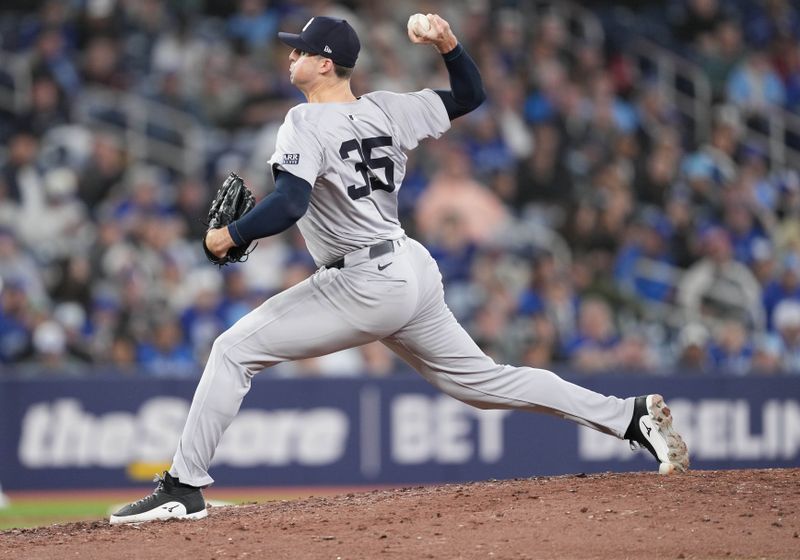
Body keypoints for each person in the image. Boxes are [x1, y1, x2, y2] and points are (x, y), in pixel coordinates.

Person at [109, 14, 689, 525]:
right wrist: (449, 44)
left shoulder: (304, 122)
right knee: (484, 382)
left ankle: (183, 486)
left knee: (233, 351)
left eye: (300, 50)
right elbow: (469, 95)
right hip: (409, 266)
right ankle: (629, 417)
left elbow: (289, 204)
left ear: (326, 63)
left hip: (364, 282)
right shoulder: (389, 108)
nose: (291, 56)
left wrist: (225, 237)